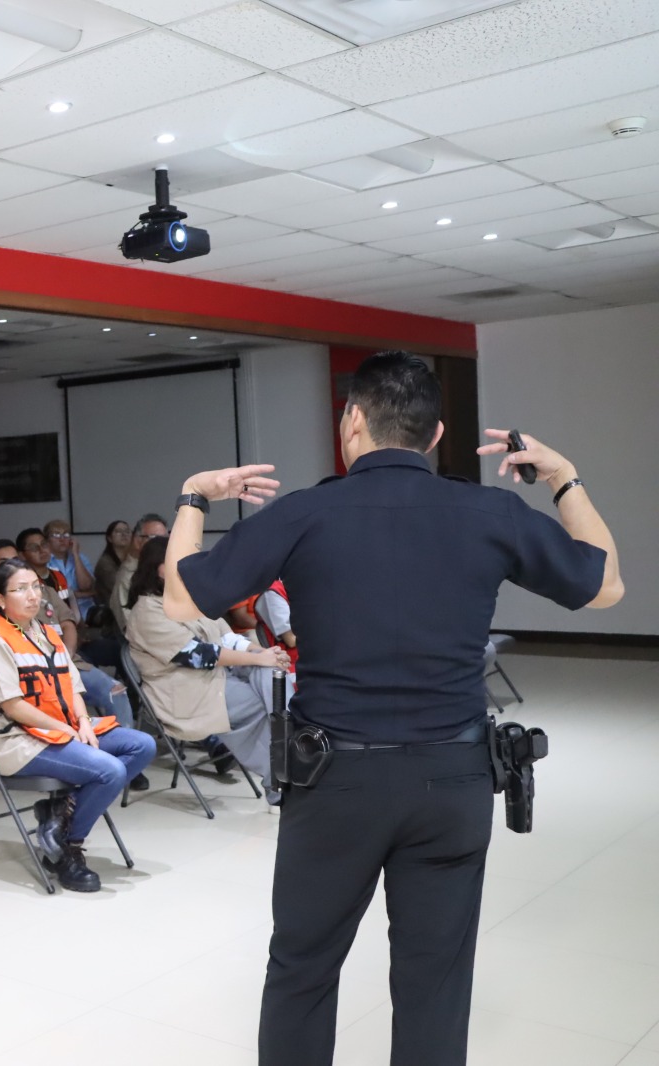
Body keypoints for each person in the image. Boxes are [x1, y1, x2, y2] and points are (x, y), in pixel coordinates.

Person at [160, 351, 620, 1066]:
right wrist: (564, 477)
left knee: (303, 969)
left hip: (334, 781)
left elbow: (180, 599)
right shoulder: (490, 511)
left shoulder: (304, 512)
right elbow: (605, 586)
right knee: (436, 983)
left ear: (352, 422)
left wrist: (194, 495)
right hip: (453, 779)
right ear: (436, 435)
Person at [0, 559, 156, 891]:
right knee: (110, 770)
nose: (33, 596)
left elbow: (73, 688)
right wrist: (66, 730)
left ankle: (58, 815)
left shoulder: (47, 633)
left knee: (142, 745)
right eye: (21, 589)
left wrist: (82, 722)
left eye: (35, 587)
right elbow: (12, 706)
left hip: (62, 729)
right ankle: (69, 847)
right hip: (19, 739)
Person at [126, 536, 291, 802]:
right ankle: (284, 769)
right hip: (184, 689)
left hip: (216, 676)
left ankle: (291, 746)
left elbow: (227, 637)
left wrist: (262, 654)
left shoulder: (187, 600)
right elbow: (198, 655)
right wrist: (259, 659)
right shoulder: (146, 611)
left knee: (274, 674)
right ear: (156, 568)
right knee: (261, 700)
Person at [17, 528, 141, 754]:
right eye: (34, 547)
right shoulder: (10, 599)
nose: (42, 550)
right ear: (21, 555)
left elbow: (70, 619)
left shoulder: (55, 580)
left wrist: (66, 654)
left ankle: (126, 750)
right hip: (39, 665)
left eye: (43, 544)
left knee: (117, 685)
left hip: (70, 653)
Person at [110, 514, 169, 635]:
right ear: (137, 541)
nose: (163, 544)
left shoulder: (167, 570)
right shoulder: (127, 577)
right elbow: (129, 627)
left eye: (165, 538)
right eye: (155, 538)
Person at [43, 518, 96, 616]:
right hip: (57, 612)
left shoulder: (81, 558)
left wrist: (75, 554)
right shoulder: (44, 561)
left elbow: (86, 586)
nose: (62, 539)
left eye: (66, 535)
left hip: (86, 610)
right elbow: (54, 595)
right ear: (47, 541)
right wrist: (81, 594)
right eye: (56, 535)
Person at [91, 520, 133, 607]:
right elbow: (120, 588)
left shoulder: (134, 558)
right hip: (112, 608)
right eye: (118, 531)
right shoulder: (104, 563)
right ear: (109, 538)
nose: (124, 534)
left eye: (127, 531)